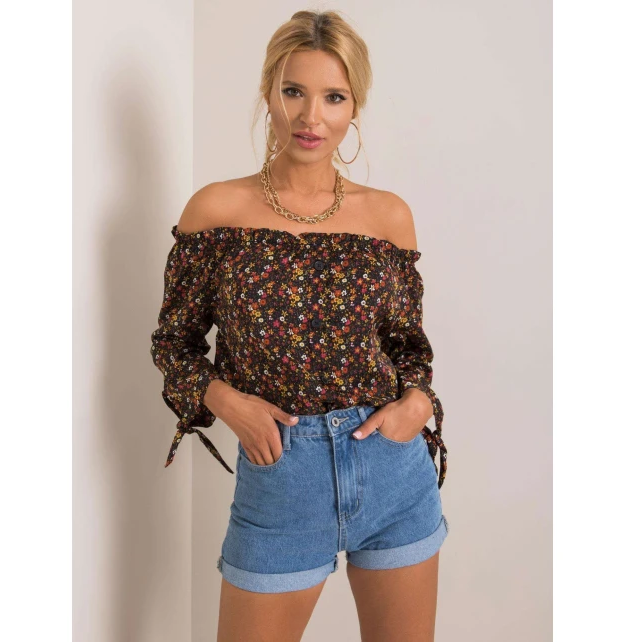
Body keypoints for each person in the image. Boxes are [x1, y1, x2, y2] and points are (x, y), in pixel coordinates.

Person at [149, 10, 449, 641]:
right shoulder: (217, 210)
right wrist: (228, 402)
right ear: (269, 94)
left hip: (393, 472)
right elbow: (174, 344)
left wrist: (418, 403)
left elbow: (408, 347)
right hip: (283, 475)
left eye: (333, 97)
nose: (311, 117)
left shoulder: (388, 217)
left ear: (355, 106)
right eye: (294, 92)